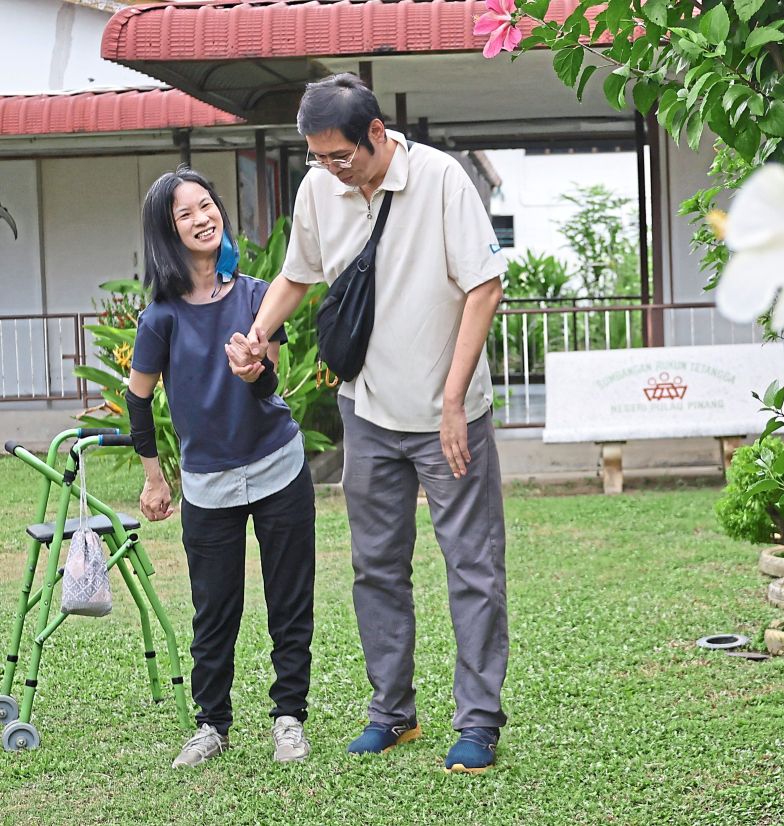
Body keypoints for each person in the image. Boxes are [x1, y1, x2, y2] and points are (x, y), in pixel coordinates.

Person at [227, 73, 508, 773]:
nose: (329, 170)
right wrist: (258, 334)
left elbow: (485, 286)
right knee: (376, 567)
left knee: (472, 568)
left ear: (377, 135)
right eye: (318, 158)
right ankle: (393, 713)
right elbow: (300, 272)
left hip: (451, 415)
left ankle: (477, 723)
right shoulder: (320, 188)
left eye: (341, 157)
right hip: (368, 409)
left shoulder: (441, 179)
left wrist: (451, 399)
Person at [128, 168, 316, 768]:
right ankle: (212, 724)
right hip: (207, 484)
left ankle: (289, 716)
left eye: (206, 206)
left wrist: (255, 371)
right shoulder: (160, 317)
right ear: (168, 231)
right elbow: (138, 397)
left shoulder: (259, 296)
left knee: (289, 601)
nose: (201, 218)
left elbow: (273, 388)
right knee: (214, 610)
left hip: (278, 468)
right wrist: (154, 475)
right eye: (185, 214)